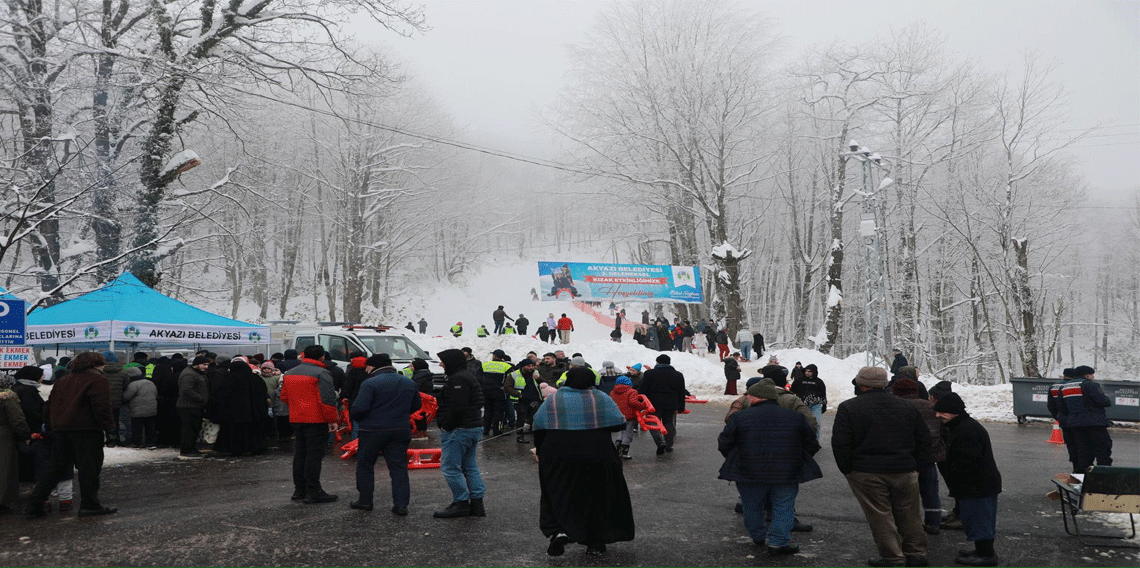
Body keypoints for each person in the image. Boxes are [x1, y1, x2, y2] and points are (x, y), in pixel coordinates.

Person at [832, 367, 930, 567]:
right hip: (904, 469)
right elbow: (924, 439)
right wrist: (917, 466)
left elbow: (841, 443)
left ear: (861, 384)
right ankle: (916, 554)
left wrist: (847, 469)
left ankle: (893, 557)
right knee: (910, 514)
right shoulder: (906, 406)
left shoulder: (849, 407)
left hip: (866, 471)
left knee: (880, 516)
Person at [534, 367, 635, 556]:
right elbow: (619, 423)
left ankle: (559, 530)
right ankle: (595, 542)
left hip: (558, 454)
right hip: (597, 453)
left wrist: (540, 451)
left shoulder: (555, 399)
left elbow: (539, 426)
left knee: (557, 491)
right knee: (598, 495)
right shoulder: (600, 397)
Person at [719, 380, 821, 555]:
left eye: (749, 395)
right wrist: (796, 458)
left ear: (758, 397)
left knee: (752, 506)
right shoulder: (794, 417)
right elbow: (811, 443)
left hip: (749, 472)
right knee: (784, 506)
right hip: (787, 472)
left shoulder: (740, 417)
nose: (747, 398)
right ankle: (778, 543)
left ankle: (758, 536)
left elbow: (724, 443)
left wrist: (738, 458)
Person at [25, 352, 118, 518]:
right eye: (102, 364)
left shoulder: (63, 380)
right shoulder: (98, 380)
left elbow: (49, 405)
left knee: (56, 468)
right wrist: (109, 428)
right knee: (89, 469)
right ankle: (90, 504)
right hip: (86, 430)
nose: (104, 367)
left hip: (61, 430)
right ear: (96, 365)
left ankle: (36, 503)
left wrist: (51, 426)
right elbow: (101, 407)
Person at [933, 393, 1002, 567]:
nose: (938, 416)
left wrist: (953, 474)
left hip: (977, 486)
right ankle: (982, 550)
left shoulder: (966, 430)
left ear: (954, 412)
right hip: (978, 485)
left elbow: (967, 461)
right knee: (976, 520)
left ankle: (986, 555)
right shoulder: (962, 426)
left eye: (942, 412)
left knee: (980, 521)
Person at [350, 353, 421, 515]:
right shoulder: (408, 382)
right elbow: (416, 404)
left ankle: (365, 501)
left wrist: (360, 418)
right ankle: (401, 505)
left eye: (367, 367)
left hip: (372, 431)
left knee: (365, 465)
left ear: (372, 366)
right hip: (400, 429)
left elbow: (359, 408)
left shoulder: (369, 383)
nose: (366, 370)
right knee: (398, 467)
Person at [280, 345, 340, 504]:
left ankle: (299, 489)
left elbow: (284, 397)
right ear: (322, 358)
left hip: (296, 418)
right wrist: (332, 420)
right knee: (314, 455)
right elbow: (328, 400)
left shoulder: (289, 373)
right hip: (316, 419)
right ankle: (313, 490)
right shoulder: (322, 373)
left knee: (300, 454)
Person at [433, 349, 486, 518]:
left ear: (451, 362)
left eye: (443, 361)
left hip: (460, 429)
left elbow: (458, 407)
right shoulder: (467, 375)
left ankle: (461, 502)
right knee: (470, 466)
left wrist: (446, 426)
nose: (441, 364)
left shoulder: (458, 379)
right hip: (472, 426)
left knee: (450, 468)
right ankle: (477, 504)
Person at [890, 377, 945, 535]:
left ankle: (908, 526)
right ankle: (934, 522)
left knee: (905, 495)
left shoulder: (898, 407)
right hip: (930, 457)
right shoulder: (932, 406)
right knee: (930, 491)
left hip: (906, 458)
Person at [1057, 365, 1112, 472]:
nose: (1093, 377)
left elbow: (1061, 408)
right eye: (1092, 375)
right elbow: (1103, 401)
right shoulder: (1089, 385)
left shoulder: (1064, 387)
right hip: (1094, 423)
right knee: (1102, 450)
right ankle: (1103, 478)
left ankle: (1083, 479)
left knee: (1083, 452)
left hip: (1075, 425)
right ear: (1087, 375)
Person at [639, 354, 686, 455]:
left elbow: (643, 390)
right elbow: (681, 392)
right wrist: (681, 406)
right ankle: (669, 444)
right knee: (669, 424)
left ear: (657, 362)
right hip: (671, 404)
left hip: (653, 405)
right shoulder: (678, 375)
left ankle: (661, 443)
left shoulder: (649, 374)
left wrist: (641, 404)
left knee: (653, 424)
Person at [0, 374, 30, 512]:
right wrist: (25, 434)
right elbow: (17, 419)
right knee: (4, 468)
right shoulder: (8, 396)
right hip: (4, 436)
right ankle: (2, 501)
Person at [176, 356, 211, 458]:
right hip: (188, 407)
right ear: (196, 364)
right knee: (189, 429)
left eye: (207, 365)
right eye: (204, 365)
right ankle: (187, 450)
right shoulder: (189, 374)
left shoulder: (197, 373)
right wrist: (202, 399)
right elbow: (186, 390)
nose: (206, 367)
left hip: (195, 406)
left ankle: (191, 448)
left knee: (194, 429)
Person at [1047, 368, 1080, 473]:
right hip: (1077, 419)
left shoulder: (1053, 387)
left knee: (1071, 445)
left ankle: (1075, 467)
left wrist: (1059, 417)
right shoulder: (1076, 386)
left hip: (1064, 420)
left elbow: (1051, 406)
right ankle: (1081, 470)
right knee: (1081, 445)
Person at [609, 376, 649, 460]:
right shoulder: (632, 391)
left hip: (618, 415)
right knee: (628, 434)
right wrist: (643, 406)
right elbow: (633, 402)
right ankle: (624, 452)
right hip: (629, 416)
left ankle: (617, 449)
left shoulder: (613, 392)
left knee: (621, 433)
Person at [505, 358, 542, 443]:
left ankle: (532, 433)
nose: (531, 368)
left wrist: (538, 378)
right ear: (523, 367)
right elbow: (507, 387)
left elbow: (543, 382)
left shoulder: (535, 374)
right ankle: (520, 435)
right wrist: (519, 394)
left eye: (532, 366)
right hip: (520, 400)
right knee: (521, 417)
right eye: (528, 366)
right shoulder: (514, 375)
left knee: (533, 416)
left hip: (534, 399)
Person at [122, 366, 158, 447]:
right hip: (152, 409)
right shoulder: (150, 382)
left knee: (137, 428)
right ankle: (151, 442)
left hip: (138, 411)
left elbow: (126, 397)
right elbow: (156, 394)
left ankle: (137, 443)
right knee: (150, 427)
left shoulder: (133, 384)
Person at [790, 364, 827, 439]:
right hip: (802, 405)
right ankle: (802, 441)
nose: (807, 373)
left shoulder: (819, 382)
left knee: (817, 423)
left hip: (815, 405)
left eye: (810, 371)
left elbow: (823, 394)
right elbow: (792, 391)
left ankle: (815, 441)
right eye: (806, 371)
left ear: (814, 372)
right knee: (801, 423)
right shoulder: (799, 380)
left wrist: (824, 405)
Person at [480, 350, 512, 437]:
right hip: (499, 392)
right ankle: (497, 430)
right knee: (499, 412)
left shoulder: (485, 364)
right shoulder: (507, 366)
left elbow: (478, 377)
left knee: (487, 411)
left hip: (486, 391)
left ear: (494, 356)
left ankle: (485, 430)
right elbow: (510, 380)